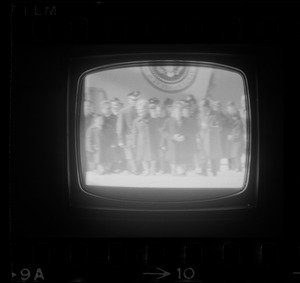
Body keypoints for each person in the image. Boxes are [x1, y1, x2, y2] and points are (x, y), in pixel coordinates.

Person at [161, 101, 189, 176]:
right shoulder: (168, 121)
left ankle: (183, 172)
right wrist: (172, 137)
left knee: (182, 160)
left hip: (183, 144)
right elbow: (164, 132)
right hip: (172, 144)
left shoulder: (186, 120)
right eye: (177, 111)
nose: (179, 113)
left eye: (180, 111)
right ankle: (174, 172)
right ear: (173, 111)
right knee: (173, 159)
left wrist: (184, 137)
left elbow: (190, 131)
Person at [116, 91, 140, 173]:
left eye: (136, 100)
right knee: (130, 154)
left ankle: (135, 169)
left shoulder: (139, 110)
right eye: (133, 100)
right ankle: (134, 169)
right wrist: (120, 139)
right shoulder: (123, 111)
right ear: (128, 100)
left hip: (138, 136)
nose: (135, 101)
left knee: (137, 153)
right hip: (128, 136)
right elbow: (120, 126)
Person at [198, 98, 223, 176]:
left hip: (212, 139)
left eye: (202, 106)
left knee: (213, 154)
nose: (201, 108)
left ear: (207, 107)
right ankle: (203, 170)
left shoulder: (215, 114)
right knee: (203, 154)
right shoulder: (201, 115)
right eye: (200, 107)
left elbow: (219, 127)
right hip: (203, 137)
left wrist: (208, 126)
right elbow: (199, 126)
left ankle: (214, 171)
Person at [132, 99, 155, 175]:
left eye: (142, 111)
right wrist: (134, 143)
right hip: (141, 140)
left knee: (152, 154)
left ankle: (153, 169)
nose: (140, 112)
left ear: (146, 110)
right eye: (138, 111)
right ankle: (146, 170)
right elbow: (134, 133)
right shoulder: (136, 121)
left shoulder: (152, 119)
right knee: (143, 156)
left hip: (151, 139)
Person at [100, 100, 118, 174]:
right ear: (102, 109)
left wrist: (114, 141)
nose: (108, 110)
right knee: (102, 155)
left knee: (111, 155)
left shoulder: (115, 118)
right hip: (102, 140)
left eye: (110, 108)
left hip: (111, 140)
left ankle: (109, 169)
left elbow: (117, 131)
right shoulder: (99, 117)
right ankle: (102, 169)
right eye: (106, 108)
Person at [227, 101, 244, 172]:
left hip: (238, 137)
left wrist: (236, 135)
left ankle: (238, 167)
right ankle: (232, 166)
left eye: (232, 105)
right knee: (231, 152)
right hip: (231, 136)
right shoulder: (228, 115)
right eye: (229, 106)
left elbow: (240, 126)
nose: (231, 107)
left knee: (237, 152)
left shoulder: (239, 114)